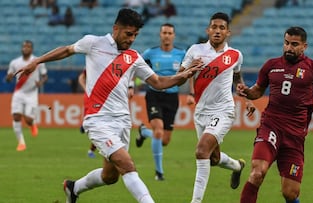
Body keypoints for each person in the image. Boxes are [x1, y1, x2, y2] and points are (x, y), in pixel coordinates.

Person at [15, 8, 201, 203]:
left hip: (122, 122)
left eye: (135, 35)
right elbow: (67, 50)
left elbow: (158, 83)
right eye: (128, 34)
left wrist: (183, 76)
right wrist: (37, 61)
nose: (131, 39)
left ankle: (73, 187)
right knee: (128, 165)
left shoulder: (134, 57)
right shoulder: (94, 43)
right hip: (97, 119)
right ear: (116, 28)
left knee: (110, 176)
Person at [237, 26, 313, 203]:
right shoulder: (271, 65)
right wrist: (246, 92)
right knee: (257, 173)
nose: (289, 48)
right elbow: (257, 91)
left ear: (304, 46)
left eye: (294, 44)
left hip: (295, 135)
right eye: (286, 43)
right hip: (271, 127)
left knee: (290, 193)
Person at [179, 12, 255, 203]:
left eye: (222, 28)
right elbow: (179, 75)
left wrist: (246, 98)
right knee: (212, 158)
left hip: (223, 110)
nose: (217, 31)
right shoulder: (195, 51)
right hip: (201, 112)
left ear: (228, 32)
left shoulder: (235, 55)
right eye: (214, 27)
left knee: (201, 151)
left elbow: (237, 77)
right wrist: (190, 70)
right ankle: (237, 166)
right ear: (208, 30)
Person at [136, 23, 186, 181]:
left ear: (174, 36)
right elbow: (134, 65)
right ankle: (159, 173)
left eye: (169, 33)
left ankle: (144, 132)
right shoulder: (151, 53)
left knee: (164, 140)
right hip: (154, 95)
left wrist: (192, 93)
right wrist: (132, 85)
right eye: (164, 32)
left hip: (172, 98)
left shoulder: (181, 53)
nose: (166, 35)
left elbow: (191, 72)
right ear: (160, 34)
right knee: (158, 131)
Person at [78, 70, 135, 158]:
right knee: (100, 127)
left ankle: (96, 150)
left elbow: (127, 74)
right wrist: (86, 89)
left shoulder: (114, 65)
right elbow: (82, 77)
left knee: (105, 129)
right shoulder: (94, 63)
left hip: (110, 100)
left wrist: (130, 87)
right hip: (95, 99)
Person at [6, 40, 48, 151]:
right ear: (21, 48)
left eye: (28, 47)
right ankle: (21, 143)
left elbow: (45, 76)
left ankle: (32, 124)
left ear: (32, 49)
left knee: (28, 119)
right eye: (24, 46)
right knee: (16, 116)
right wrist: (9, 78)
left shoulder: (37, 62)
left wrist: (41, 82)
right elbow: (9, 76)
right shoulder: (14, 63)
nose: (26, 48)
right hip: (18, 93)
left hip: (32, 94)